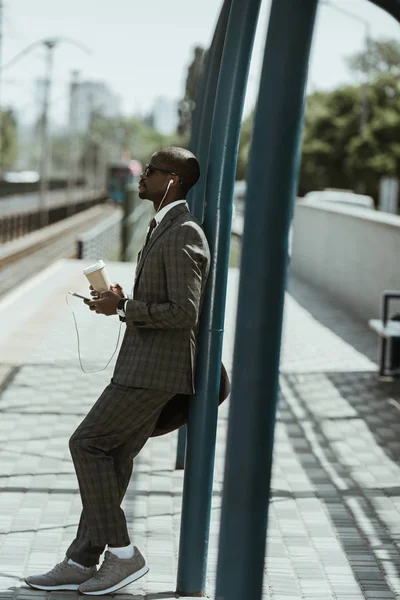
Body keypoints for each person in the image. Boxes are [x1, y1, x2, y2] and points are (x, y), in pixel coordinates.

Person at [24, 147, 211, 596]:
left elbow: (185, 312)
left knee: (86, 444)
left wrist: (124, 306)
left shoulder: (184, 232)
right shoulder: (164, 227)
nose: (141, 176)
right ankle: (81, 560)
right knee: (112, 457)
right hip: (144, 365)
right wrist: (120, 302)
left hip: (155, 372)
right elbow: (164, 302)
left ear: (173, 181)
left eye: (151, 171)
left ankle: (124, 556)